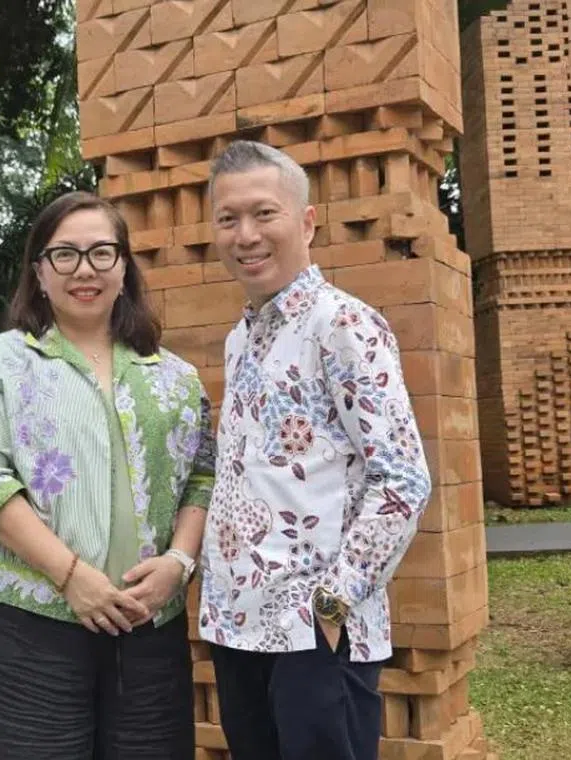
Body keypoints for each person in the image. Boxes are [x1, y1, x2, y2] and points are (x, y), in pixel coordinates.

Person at [0, 190, 215, 759]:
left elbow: (203, 478)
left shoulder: (175, 377)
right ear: (39, 272)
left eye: (101, 253)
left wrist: (179, 563)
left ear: (124, 267)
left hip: (149, 627)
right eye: (64, 254)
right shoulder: (1, 363)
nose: (84, 270)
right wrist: (72, 577)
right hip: (30, 624)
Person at [197, 139, 432, 760]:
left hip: (316, 632)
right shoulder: (238, 339)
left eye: (263, 213)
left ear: (306, 221)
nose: (245, 234)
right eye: (228, 219)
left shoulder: (343, 325)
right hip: (239, 628)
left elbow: (403, 479)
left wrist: (333, 602)